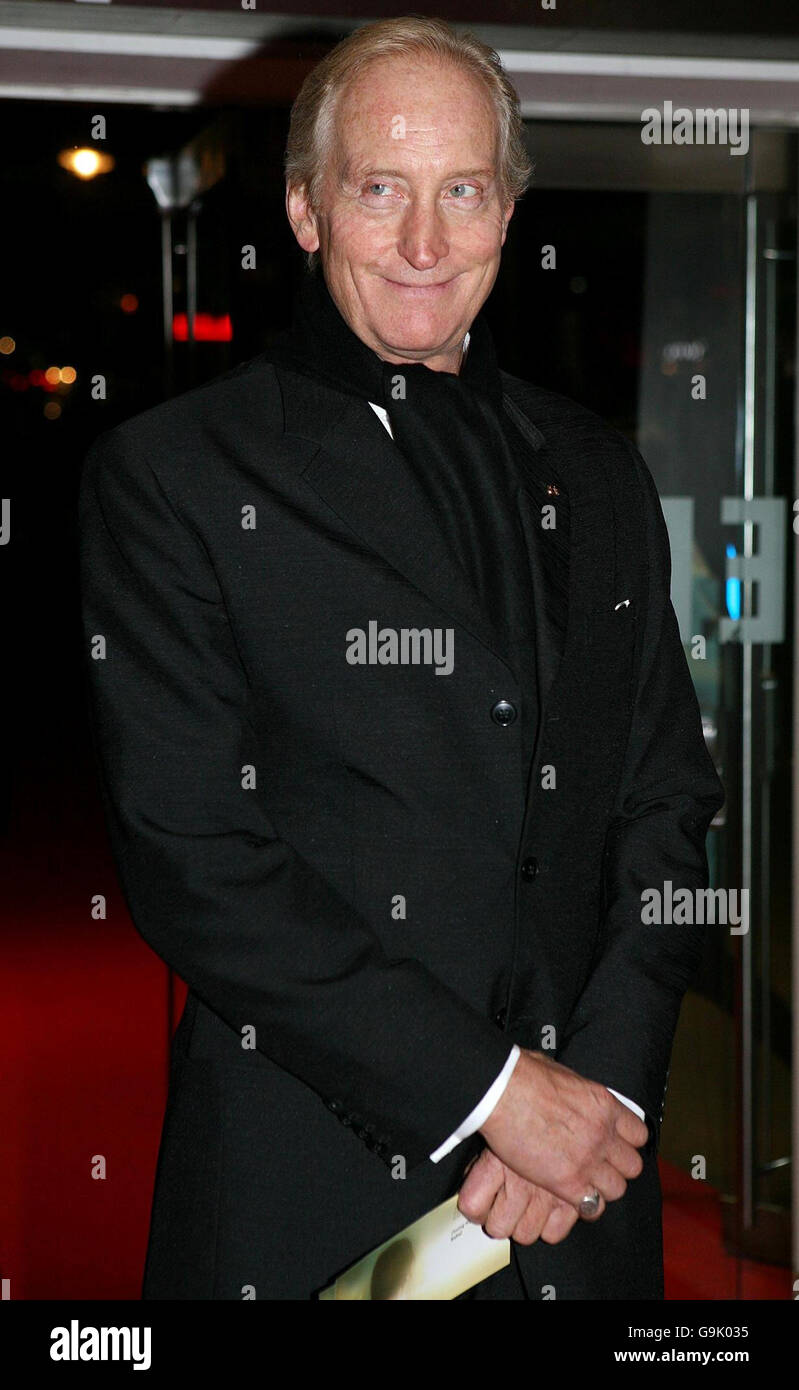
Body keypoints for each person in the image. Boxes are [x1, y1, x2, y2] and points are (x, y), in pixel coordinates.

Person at [78, 16, 725, 1300]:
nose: (425, 244)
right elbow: (194, 855)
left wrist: (591, 1093)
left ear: (507, 209)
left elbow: (666, 804)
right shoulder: (174, 478)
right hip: (307, 1192)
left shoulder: (596, 471)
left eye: (462, 192)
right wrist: (491, 1093)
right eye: (381, 190)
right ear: (308, 211)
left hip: (579, 1204)